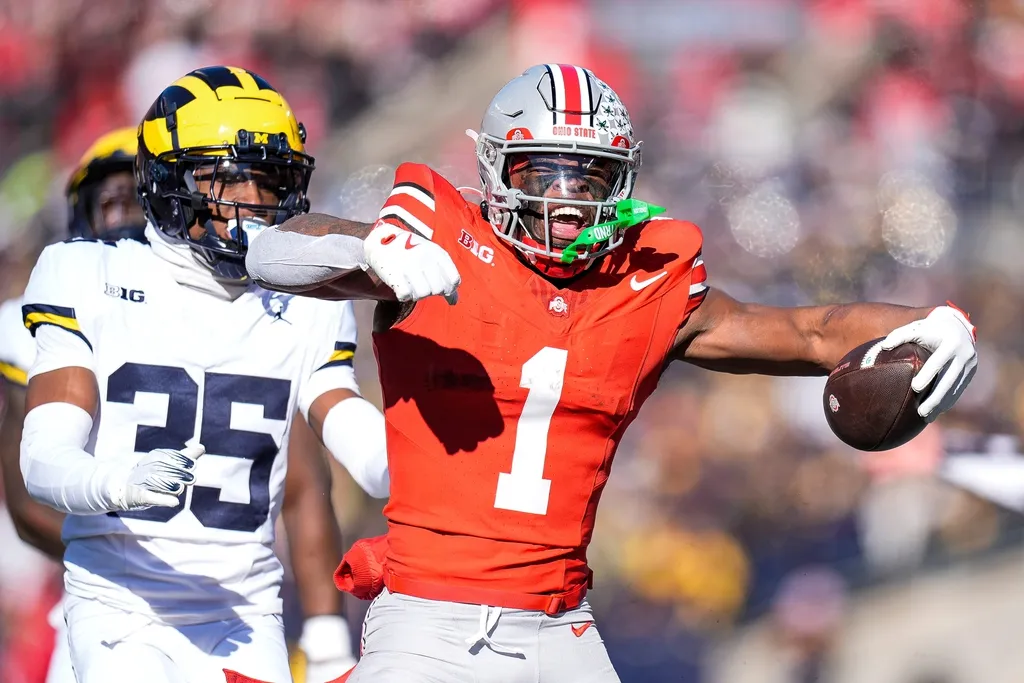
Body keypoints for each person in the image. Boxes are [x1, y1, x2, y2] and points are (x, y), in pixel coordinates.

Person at [245, 64, 978, 683]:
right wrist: (371, 251)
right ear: (495, 167)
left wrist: (938, 321)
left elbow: (807, 332)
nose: (566, 201)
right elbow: (273, 249)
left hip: (564, 627)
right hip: (430, 623)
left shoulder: (646, 285)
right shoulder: (431, 240)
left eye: (587, 177)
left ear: (621, 181)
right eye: (543, 173)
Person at [18, 66, 388, 683]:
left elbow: (365, 452)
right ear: (167, 184)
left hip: (245, 612)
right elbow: (41, 459)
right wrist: (116, 481)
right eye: (224, 178)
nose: (250, 201)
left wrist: (442, 472)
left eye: (267, 181)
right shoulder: (87, 274)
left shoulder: (307, 302)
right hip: (121, 600)